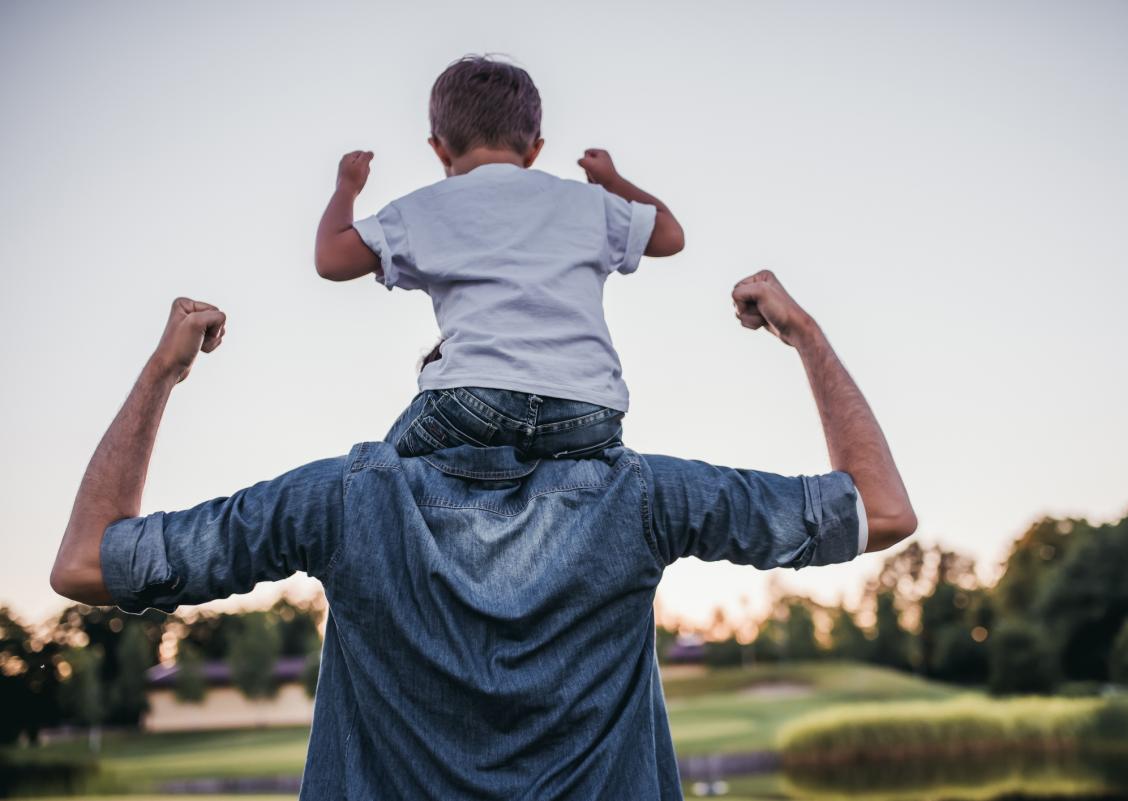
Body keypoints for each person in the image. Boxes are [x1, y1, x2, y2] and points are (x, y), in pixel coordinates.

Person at [50, 270, 916, 800]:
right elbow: (881, 510)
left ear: (432, 387)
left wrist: (164, 371)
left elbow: (88, 561)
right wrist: (803, 333)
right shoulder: (643, 496)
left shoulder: (342, 501)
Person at [313, 55, 685, 460]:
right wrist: (612, 181)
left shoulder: (426, 208)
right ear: (535, 150)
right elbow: (670, 235)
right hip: (589, 410)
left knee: (380, 474)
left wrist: (346, 188)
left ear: (439, 149)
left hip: (475, 402)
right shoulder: (587, 203)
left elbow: (331, 259)